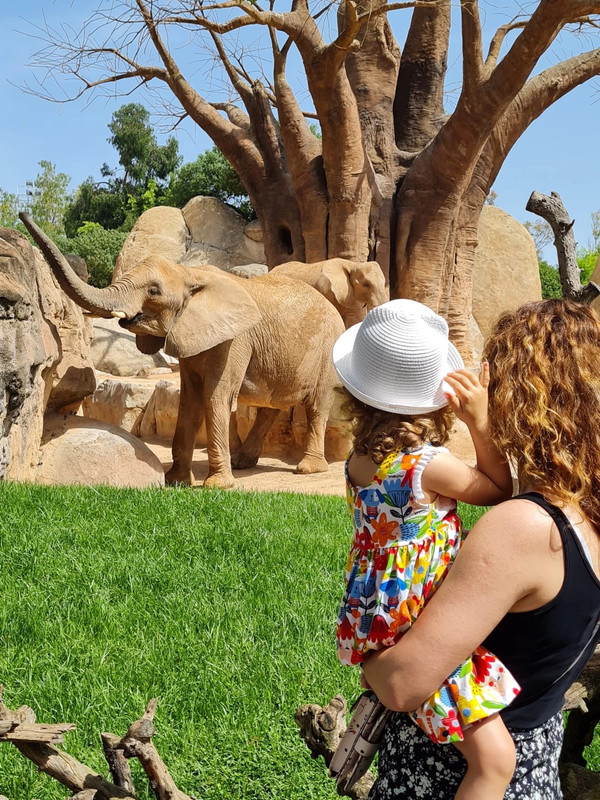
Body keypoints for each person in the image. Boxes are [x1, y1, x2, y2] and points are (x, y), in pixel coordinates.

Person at [361, 298, 600, 800]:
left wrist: (369, 659)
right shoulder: (583, 514)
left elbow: (402, 685)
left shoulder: (523, 528)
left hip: (444, 778)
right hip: (534, 768)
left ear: (517, 397)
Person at [332, 298, 517, 799]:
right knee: (497, 760)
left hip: (377, 617)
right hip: (419, 623)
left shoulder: (358, 462)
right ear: (437, 396)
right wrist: (480, 421)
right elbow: (500, 489)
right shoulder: (427, 467)